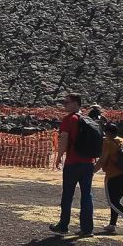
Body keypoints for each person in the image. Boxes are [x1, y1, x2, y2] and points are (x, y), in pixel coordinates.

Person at [49, 93, 97, 236]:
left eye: (67, 102)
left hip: (73, 162)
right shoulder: (88, 119)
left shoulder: (70, 119)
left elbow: (64, 138)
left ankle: (63, 225)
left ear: (76, 103)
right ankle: (87, 228)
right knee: (87, 195)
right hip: (89, 162)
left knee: (68, 195)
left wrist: (58, 156)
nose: (65, 105)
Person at [95, 123, 123, 235]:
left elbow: (102, 160)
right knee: (116, 201)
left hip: (114, 176)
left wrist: (91, 171)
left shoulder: (108, 142)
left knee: (112, 202)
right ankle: (112, 225)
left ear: (107, 133)